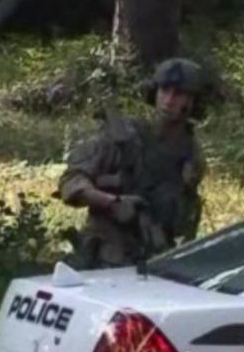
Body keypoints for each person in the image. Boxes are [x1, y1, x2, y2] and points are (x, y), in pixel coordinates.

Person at [57, 57, 207, 269]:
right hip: (105, 257)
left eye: (179, 94)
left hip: (155, 259)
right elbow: (71, 181)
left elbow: (185, 212)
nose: (169, 100)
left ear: (192, 102)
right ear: (154, 92)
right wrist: (111, 202)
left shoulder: (191, 154)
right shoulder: (122, 138)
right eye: (164, 91)